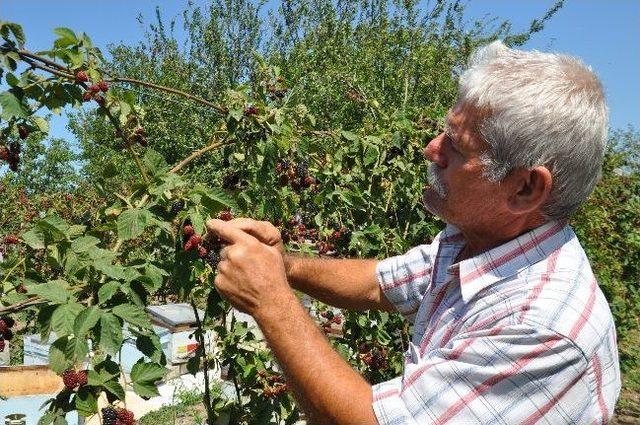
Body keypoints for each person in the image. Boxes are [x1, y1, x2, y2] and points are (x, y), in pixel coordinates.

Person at [205, 40, 621, 424]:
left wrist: (272, 301)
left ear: (526, 188)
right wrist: (283, 265)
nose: (431, 148)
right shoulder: (476, 243)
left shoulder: (540, 327)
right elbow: (378, 285)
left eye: (456, 147)